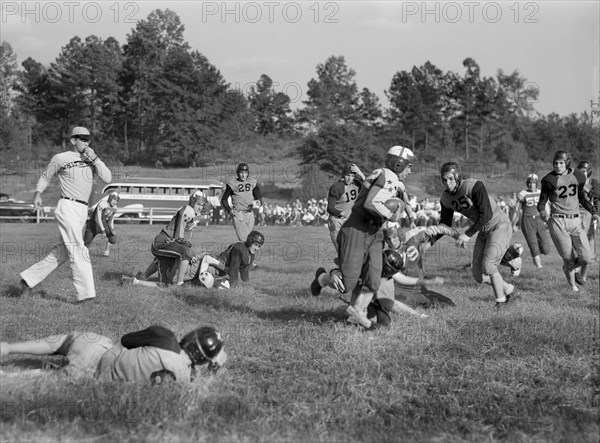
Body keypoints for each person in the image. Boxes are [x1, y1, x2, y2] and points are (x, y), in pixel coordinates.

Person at [310, 145, 415, 329]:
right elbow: (370, 203)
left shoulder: (388, 177)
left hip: (374, 232)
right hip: (356, 231)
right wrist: (391, 215)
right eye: (408, 166)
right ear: (399, 164)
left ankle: (357, 315)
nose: (410, 170)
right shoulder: (389, 177)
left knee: (373, 279)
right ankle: (323, 278)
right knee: (347, 284)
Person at [19, 126, 112, 303]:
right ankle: (86, 296)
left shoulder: (92, 159)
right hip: (67, 205)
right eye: (82, 138)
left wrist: (95, 158)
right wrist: (38, 193)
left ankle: (28, 280)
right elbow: (46, 176)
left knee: (62, 252)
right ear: (73, 140)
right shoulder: (61, 158)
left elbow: (107, 178)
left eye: (88, 139)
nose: (86, 142)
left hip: (82, 210)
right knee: (79, 249)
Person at [0, 325, 227, 384]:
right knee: (51, 377)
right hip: (91, 376)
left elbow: (126, 340)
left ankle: (8, 348)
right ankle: (9, 377)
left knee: (66, 339)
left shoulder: (166, 338)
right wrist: (214, 367)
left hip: (97, 353)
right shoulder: (186, 379)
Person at [436, 161, 517, 308]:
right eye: (444, 179)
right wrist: (426, 240)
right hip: (484, 230)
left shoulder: (473, 186)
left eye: (450, 179)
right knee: (478, 275)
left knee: (489, 266)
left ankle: (501, 302)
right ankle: (506, 286)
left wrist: (467, 234)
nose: (447, 183)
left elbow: (486, 215)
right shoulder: (446, 198)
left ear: (458, 177)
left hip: (498, 225)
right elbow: (445, 224)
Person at [537, 151, 595, 291]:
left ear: (567, 162)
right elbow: (541, 202)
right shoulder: (549, 180)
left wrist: (594, 211)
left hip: (575, 220)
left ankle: (570, 268)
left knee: (587, 258)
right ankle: (573, 287)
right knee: (569, 257)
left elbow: (582, 198)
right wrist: (543, 211)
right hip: (558, 221)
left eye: (561, 163)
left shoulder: (578, 176)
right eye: (556, 163)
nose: (558, 166)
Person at [145, 191, 207, 286]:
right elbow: (179, 237)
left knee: (166, 280)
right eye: (198, 204)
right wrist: (189, 253)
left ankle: (143, 277)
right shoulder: (188, 211)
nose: (200, 207)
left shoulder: (193, 214)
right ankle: (180, 284)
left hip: (168, 243)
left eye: (202, 205)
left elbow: (184, 239)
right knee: (185, 253)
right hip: (162, 241)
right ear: (192, 202)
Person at [326, 163, 365, 253]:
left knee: (354, 248)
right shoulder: (337, 187)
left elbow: (369, 186)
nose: (350, 178)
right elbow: (330, 208)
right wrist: (341, 213)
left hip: (350, 220)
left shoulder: (357, 184)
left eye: (352, 176)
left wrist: (361, 174)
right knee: (341, 248)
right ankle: (341, 262)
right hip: (337, 220)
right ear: (343, 175)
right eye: (348, 175)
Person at [516, 173, 552, 269]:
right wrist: (515, 221)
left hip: (539, 219)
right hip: (527, 220)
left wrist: (547, 218)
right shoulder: (523, 193)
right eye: (529, 183)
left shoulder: (541, 192)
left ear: (536, 184)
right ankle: (539, 266)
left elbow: (546, 206)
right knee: (533, 244)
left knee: (546, 249)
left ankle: (535, 251)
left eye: (533, 183)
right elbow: (517, 208)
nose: (531, 185)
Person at [221, 163, 263, 242]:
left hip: (250, 214)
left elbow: (257, 194)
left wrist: (259, 200)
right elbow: (224, 199)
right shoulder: (232, 184)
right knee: (246, 240)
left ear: (248, 173)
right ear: (238, 173)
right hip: (238, 214)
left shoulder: (252, 182)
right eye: (241, 173)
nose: (243, 175)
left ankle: (246, 254)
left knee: (250, 239)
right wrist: (229, 210)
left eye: (245, 173)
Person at [83, 192, 119, 257]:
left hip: (104, 223)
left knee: (113, 239)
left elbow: (111, 220)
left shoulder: (115, 207)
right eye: (114, 199)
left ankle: (106, 251)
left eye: (117, 200)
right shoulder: (102, 204)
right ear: (110, 198)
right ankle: (80, 255)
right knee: (86, 243)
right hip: (93, 224)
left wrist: (112, 229)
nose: (115, 202)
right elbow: (98, 218)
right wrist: (103, 230)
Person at [576, 160, 599, 256]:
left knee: (591, 235)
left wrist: (586, 188)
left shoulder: (593, 182)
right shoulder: (574, 182)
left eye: (584, 171)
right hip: (575, 211)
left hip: (589, 211)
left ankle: (590, 256)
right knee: (579, 236)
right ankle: (582, 257)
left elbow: (598, 194)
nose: (581, 173)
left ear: (589, 172)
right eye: (580, 171)